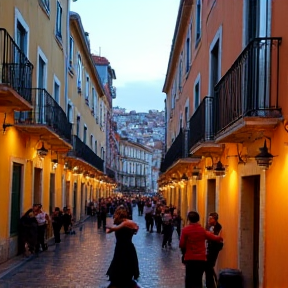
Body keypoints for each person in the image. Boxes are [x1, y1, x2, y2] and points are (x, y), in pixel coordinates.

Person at [179, 211, 223, 288]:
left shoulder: (185, 230)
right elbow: (214, 237)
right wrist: (220, 237)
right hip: (200, 259)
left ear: (189, 219)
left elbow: (181, 244)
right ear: (198, 219)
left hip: (189, 258)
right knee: (198, 279)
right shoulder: (202, 230)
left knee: (189, 278)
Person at [106, 205, 140, 288]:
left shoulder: (122, 223)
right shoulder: (131, 223)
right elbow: (136, 228)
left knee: (120, 266)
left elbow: (111, 230)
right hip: (129, 248)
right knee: (128, 266)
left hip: (121, 248)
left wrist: (109, 226)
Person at [205, 212, 223, 288]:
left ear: (214, 219)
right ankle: (212, 283)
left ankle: (211, 284)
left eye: (210, 218)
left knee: (209, 266)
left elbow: (218, 238)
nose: (208, 220)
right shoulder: (209, 226)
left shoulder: (218, 227)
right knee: (209, 267)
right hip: (209, 248)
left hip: (214, 249)